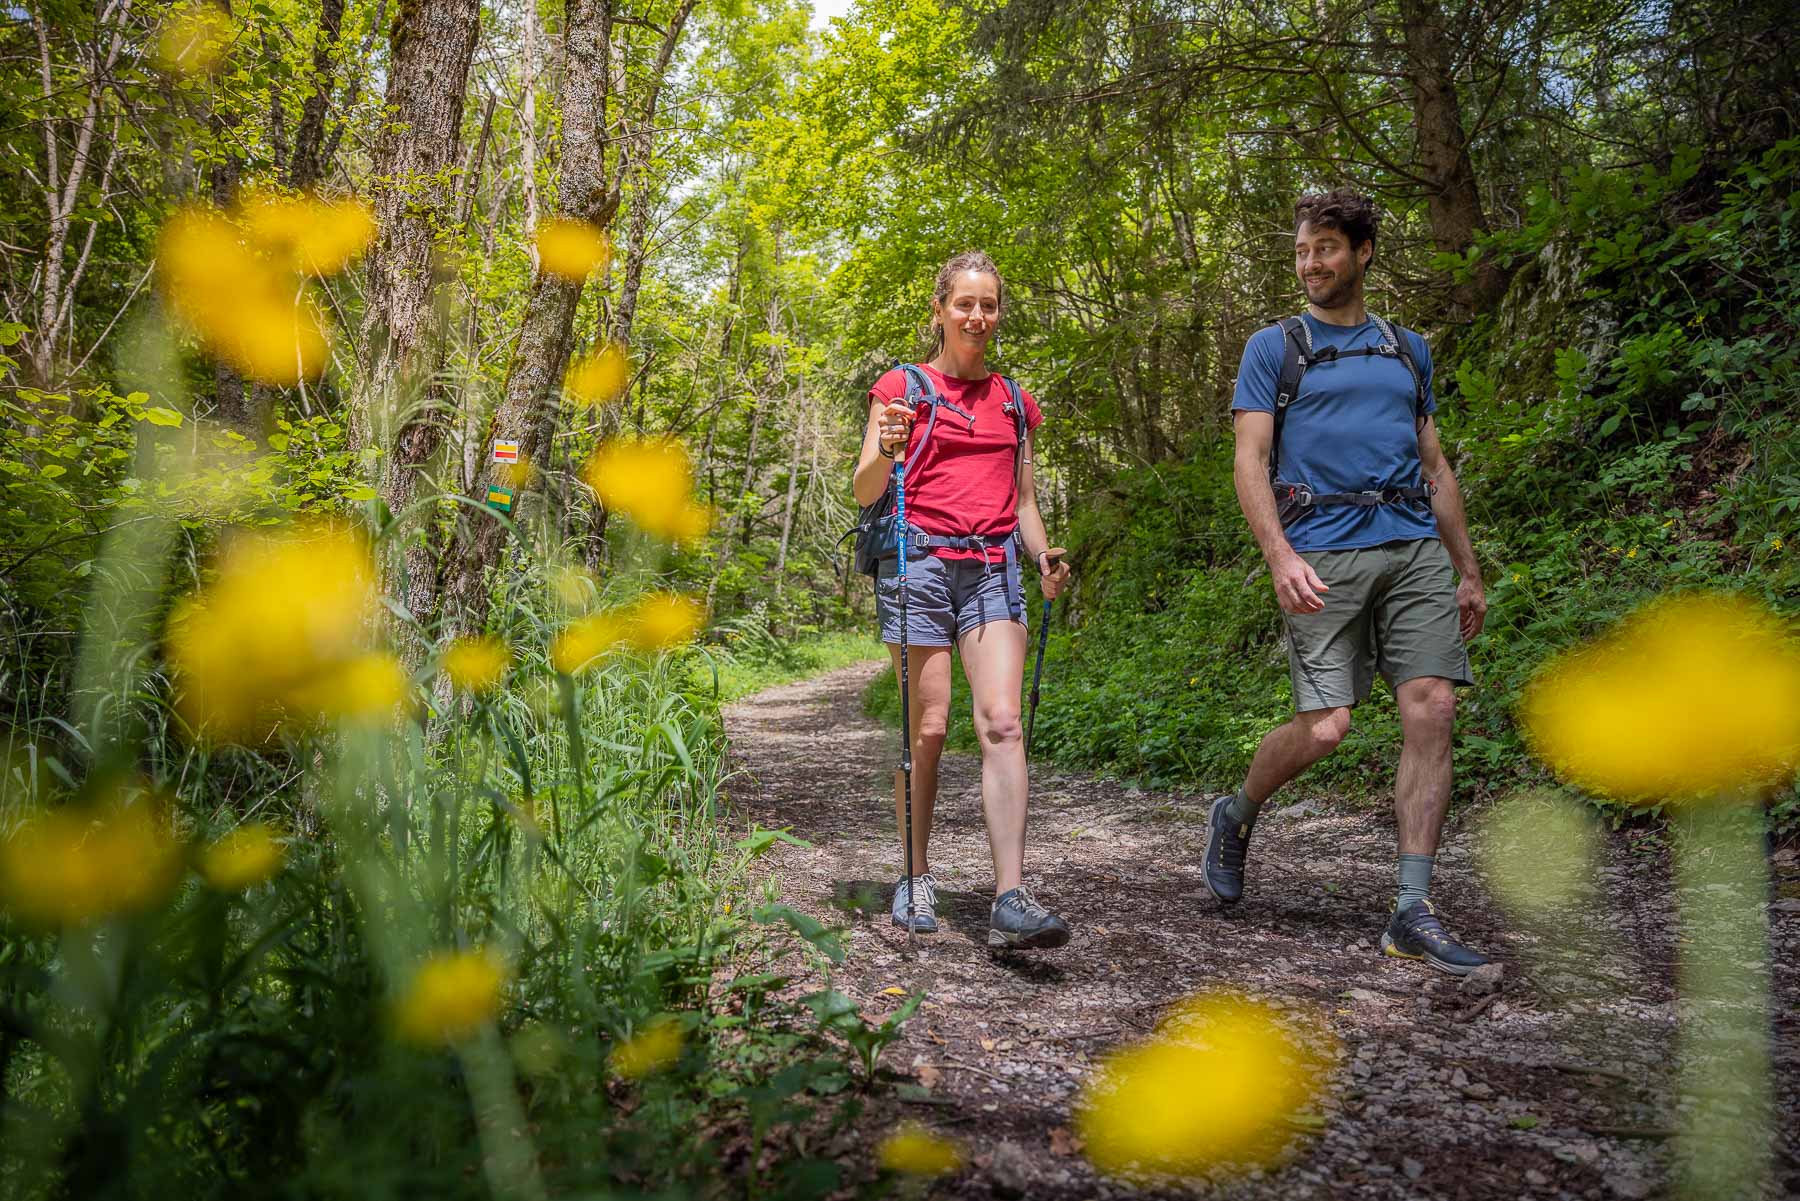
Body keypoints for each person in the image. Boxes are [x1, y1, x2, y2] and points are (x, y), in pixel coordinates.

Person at [1207, 189, 1491, 975]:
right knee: (1329, 726)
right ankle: (1237, 812)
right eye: (1302, 249)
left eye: (1326, 247)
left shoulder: (1407, 350)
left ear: (1363, 253)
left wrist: (1466, 569)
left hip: (1411, 548)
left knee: (1431, 705)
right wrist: (1279, 556)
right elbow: (1249, 460)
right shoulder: (1276, 347)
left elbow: (1435, 466)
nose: (1311, 262)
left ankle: (1412, 907)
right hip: (1321, 555)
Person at [851, 250, 1074, 950]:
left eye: (989, 304)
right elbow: (862, 488)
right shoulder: (902, 387)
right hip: (916, 562)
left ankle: (1010, 894)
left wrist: (1043, 555)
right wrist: (887, 447)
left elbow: (1027, 501)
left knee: (1003, 721)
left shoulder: (1013, 400)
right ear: (940, 310)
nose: (978, 316)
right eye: (965, 304)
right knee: (931, 727)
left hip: (992, 569)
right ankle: (915, 874)